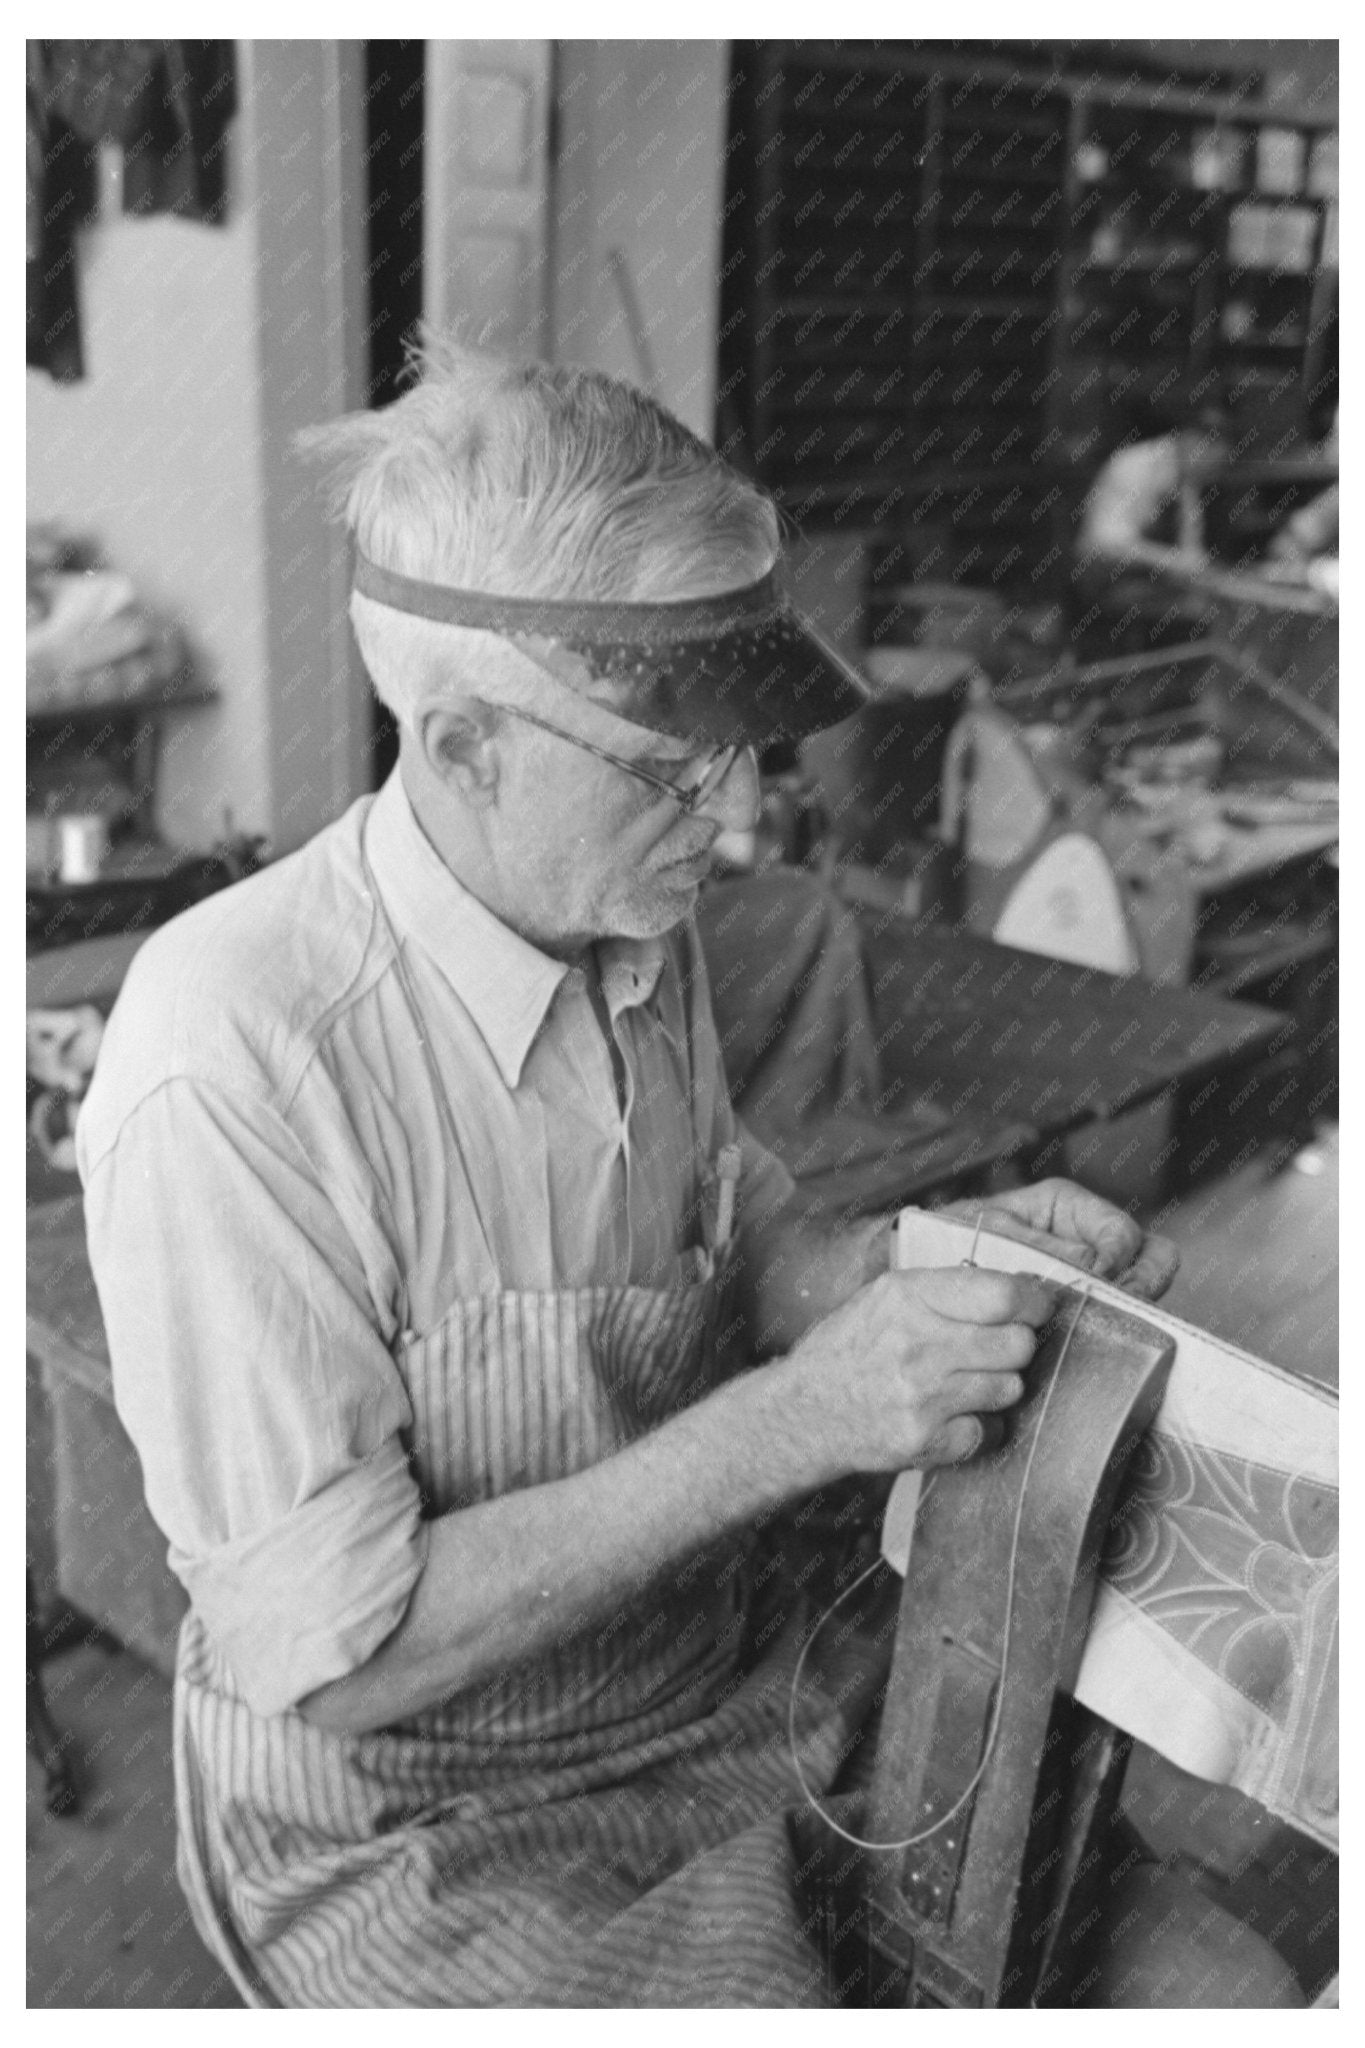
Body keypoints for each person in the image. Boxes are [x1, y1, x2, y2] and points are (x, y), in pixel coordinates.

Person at [77, 341, 1299, 2009]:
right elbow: (342, 1660)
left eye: (734, 739)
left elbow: (735, 1239)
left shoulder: (628, 921)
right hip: (427, 1812)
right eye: (666, 763)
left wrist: (905, 1267)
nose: (729, 807)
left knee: (1214, 1983)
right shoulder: (233, 1052)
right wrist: (804, 1419)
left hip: (711, 1689)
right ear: (460, 744)